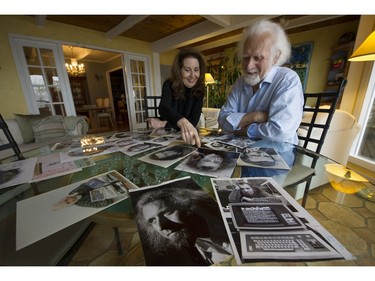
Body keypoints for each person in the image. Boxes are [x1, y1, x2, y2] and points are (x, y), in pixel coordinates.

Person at [218, 19, 304, 145]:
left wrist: (244, 129)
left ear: (276, 57)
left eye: (258, 58)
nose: (248, 66)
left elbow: (280, 131)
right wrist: (255, 116)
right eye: (246, 58)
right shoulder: (240, 83)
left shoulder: (287, 80)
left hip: (277, 156)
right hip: (240, 150)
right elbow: (222, 120)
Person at [133, 184, 232, 265]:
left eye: (167, 212)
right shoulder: (179, 258)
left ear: (189, 206)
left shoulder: (228, 222)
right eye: (152, 221)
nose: (160, 226)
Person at [147, 48, 207, 148]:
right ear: (179, 70)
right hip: (166, 136)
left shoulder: (200, 89)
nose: (193, 75)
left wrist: (162, 124)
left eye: (196, 70)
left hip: (186, 138)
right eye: (187, 70)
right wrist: (182, 121)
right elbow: (163, 108)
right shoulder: (169, 84)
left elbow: (193, 122)